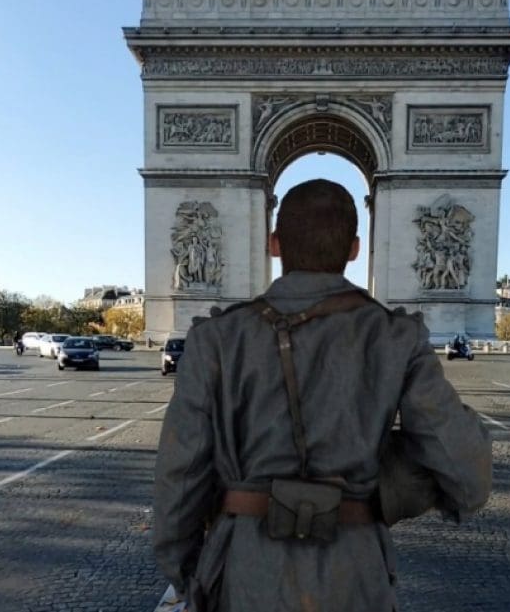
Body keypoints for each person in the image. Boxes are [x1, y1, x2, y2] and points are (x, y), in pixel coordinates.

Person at [152, 178, 491, 611]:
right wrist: (393, 484)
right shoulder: (397, 337)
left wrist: (193, 573)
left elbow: (178, 477)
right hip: (355, 573)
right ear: (354, 247)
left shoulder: (215, 339)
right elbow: (467, 475)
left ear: (274, 243)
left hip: (245, 570)